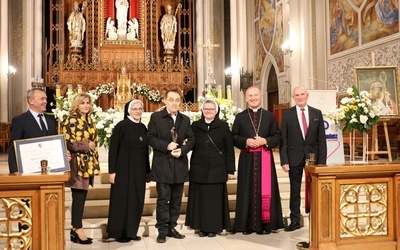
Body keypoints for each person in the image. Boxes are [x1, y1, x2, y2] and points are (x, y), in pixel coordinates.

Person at [231, 86, 284, 235]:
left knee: (265, 191)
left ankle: (266, 225)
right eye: (250, 96)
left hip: (264, 158)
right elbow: (233, 137)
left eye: (256, 95)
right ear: (246, 98)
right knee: (246, 190)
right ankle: (246, 225)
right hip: (247, 160)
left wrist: (264, 141)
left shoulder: (269, 116)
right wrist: (246, 141)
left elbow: (278, 136)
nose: (253, 98)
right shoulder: (240, 117)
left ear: (261, 96)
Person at [147, 89, 195, 243]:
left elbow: (192, 140)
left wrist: (182, 150)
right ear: (165, 101)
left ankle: (171, 227)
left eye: (177, 100)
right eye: (171, 100)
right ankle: (162, 230)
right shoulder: (156, 117)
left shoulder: (185, 119)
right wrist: (166, 145)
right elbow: (150, 138)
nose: (174, 103)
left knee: (176, 200)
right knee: (163, 199)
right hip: (162, 165)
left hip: (179, 164)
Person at [279, 86, 327, 232]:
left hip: (313, 158)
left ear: (307, 95)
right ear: (293, 97)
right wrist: (284, 160)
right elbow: (283, 140)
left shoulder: (316, 113)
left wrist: (322, 163)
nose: (300, 97)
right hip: (294, 158)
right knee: (295, 190)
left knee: (314, 189)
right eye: (297, 95)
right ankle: (295, 220)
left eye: (302, 94)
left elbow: (321, 141)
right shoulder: (287, 115)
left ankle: (316, 217)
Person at [185, 100, 235, 237]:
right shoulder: (195, 126)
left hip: (217, 169)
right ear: (202, 110)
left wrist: (230, 170)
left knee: (214, 201)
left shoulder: (223, 126)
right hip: (199, 168)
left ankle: (213, 228)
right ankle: (200, 227)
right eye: (206, 109)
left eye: (211, 109)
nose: (208, 111)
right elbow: (190, 144)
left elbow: (229, 150)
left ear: (216, 111)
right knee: (200, 199)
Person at [107, 100, 151, 243]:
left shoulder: (143, 127)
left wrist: (147, 171)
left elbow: (145, 152)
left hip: (138, 171)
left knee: (136, 200)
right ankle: (120, 232)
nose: (138, 111)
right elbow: (113, 150)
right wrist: (112, 171)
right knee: (122, 200)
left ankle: (131, 231)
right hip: (123, 169)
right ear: (128, 111)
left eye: (140, 109)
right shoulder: (122, 126)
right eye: (135, 109)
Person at [62, 93, 100, 244]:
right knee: (78, 197)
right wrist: (87, 145)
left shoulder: (89, 120)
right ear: (76, 105)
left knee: (82, 197)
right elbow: (69, 143)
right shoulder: (71, 120)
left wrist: (91, 145)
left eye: (88, 103)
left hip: (88, 163)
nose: (86, 105)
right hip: (77, 165)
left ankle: (75, 229)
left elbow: (94, 140)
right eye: (83, 103)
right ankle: (78, 228)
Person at [8, 88, 58, 174]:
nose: (45, 101)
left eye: (46, 99)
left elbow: (55, 143)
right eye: (42, 99)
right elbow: (13, 148)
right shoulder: (20, 120)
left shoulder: (51, 120)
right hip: (29, 169)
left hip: (51, 168)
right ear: (31, 101)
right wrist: (14, 170)